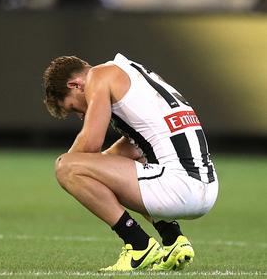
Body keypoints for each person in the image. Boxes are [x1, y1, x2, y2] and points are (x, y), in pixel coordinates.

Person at [42, 53, 218, 271]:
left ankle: (139, 245)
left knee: (66, 167)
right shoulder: (133, 72)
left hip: (177, 188)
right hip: (206, 187)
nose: (80, 115)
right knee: (111, 164)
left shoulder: (98, 76)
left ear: (76, 85)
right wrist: (98, 169)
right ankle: (173, 239)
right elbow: (136, 145)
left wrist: (71, 168)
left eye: (74, 108)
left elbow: (90, 144)